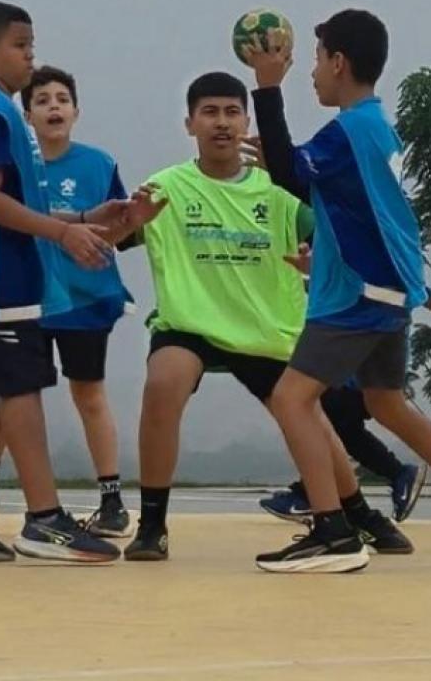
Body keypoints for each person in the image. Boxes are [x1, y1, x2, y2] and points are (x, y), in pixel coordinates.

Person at [246, 8, 431, 568]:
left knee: (291, 397)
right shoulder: (375, 126)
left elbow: (288, 175)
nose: (312, 72)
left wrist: (267, 89)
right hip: (388, 289)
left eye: (318, 59)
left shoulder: (350, 129)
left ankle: (333, 532)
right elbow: (334, 194)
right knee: (385, 402)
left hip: (358, 295)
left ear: (340, 62)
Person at [0, 1, 160, 563]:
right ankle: (44, 519)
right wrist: (63, 236)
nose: (30, 57)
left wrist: (87, 219)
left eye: (32, 46)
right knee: (20, 394)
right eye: (22, 46)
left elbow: (2, 203)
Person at [124, 71, 405, 572]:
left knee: (308, 415)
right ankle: (151, 524)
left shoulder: (278, 192)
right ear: (189, 123)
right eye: (209, 113)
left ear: (247, 122)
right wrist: (127, 222)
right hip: (189, 322)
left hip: (267, 329)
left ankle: (359, 514)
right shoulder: (165, 187)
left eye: (232, 112)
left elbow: (339, 242)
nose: (222, 123)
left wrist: (318, 262)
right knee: (162, 383)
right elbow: (111, 235)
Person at [259, 245, 431, 524]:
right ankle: (395, 482)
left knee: (318, 415)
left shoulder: (379, 261)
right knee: (347, 425)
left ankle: (329, 493)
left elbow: (424, 294)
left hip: (355, 367)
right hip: (354, 365)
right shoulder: (343, 264)